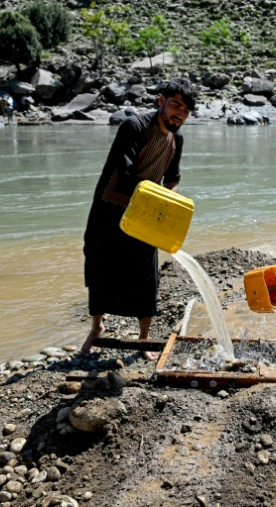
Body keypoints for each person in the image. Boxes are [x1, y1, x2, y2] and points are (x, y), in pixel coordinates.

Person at [81, 78, 199, 360]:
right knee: (99, 267)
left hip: (146, 210)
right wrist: (156, 201)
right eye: (175, 105)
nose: (179, 113)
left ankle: (143, 337)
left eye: (186, 110)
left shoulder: (176, 139)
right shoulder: (134, 127)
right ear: (161, 101)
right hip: (110, 204)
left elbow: (172, 178)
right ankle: (97, 327)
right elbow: (127, 172)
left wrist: (170, 208)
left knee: (146, 274)